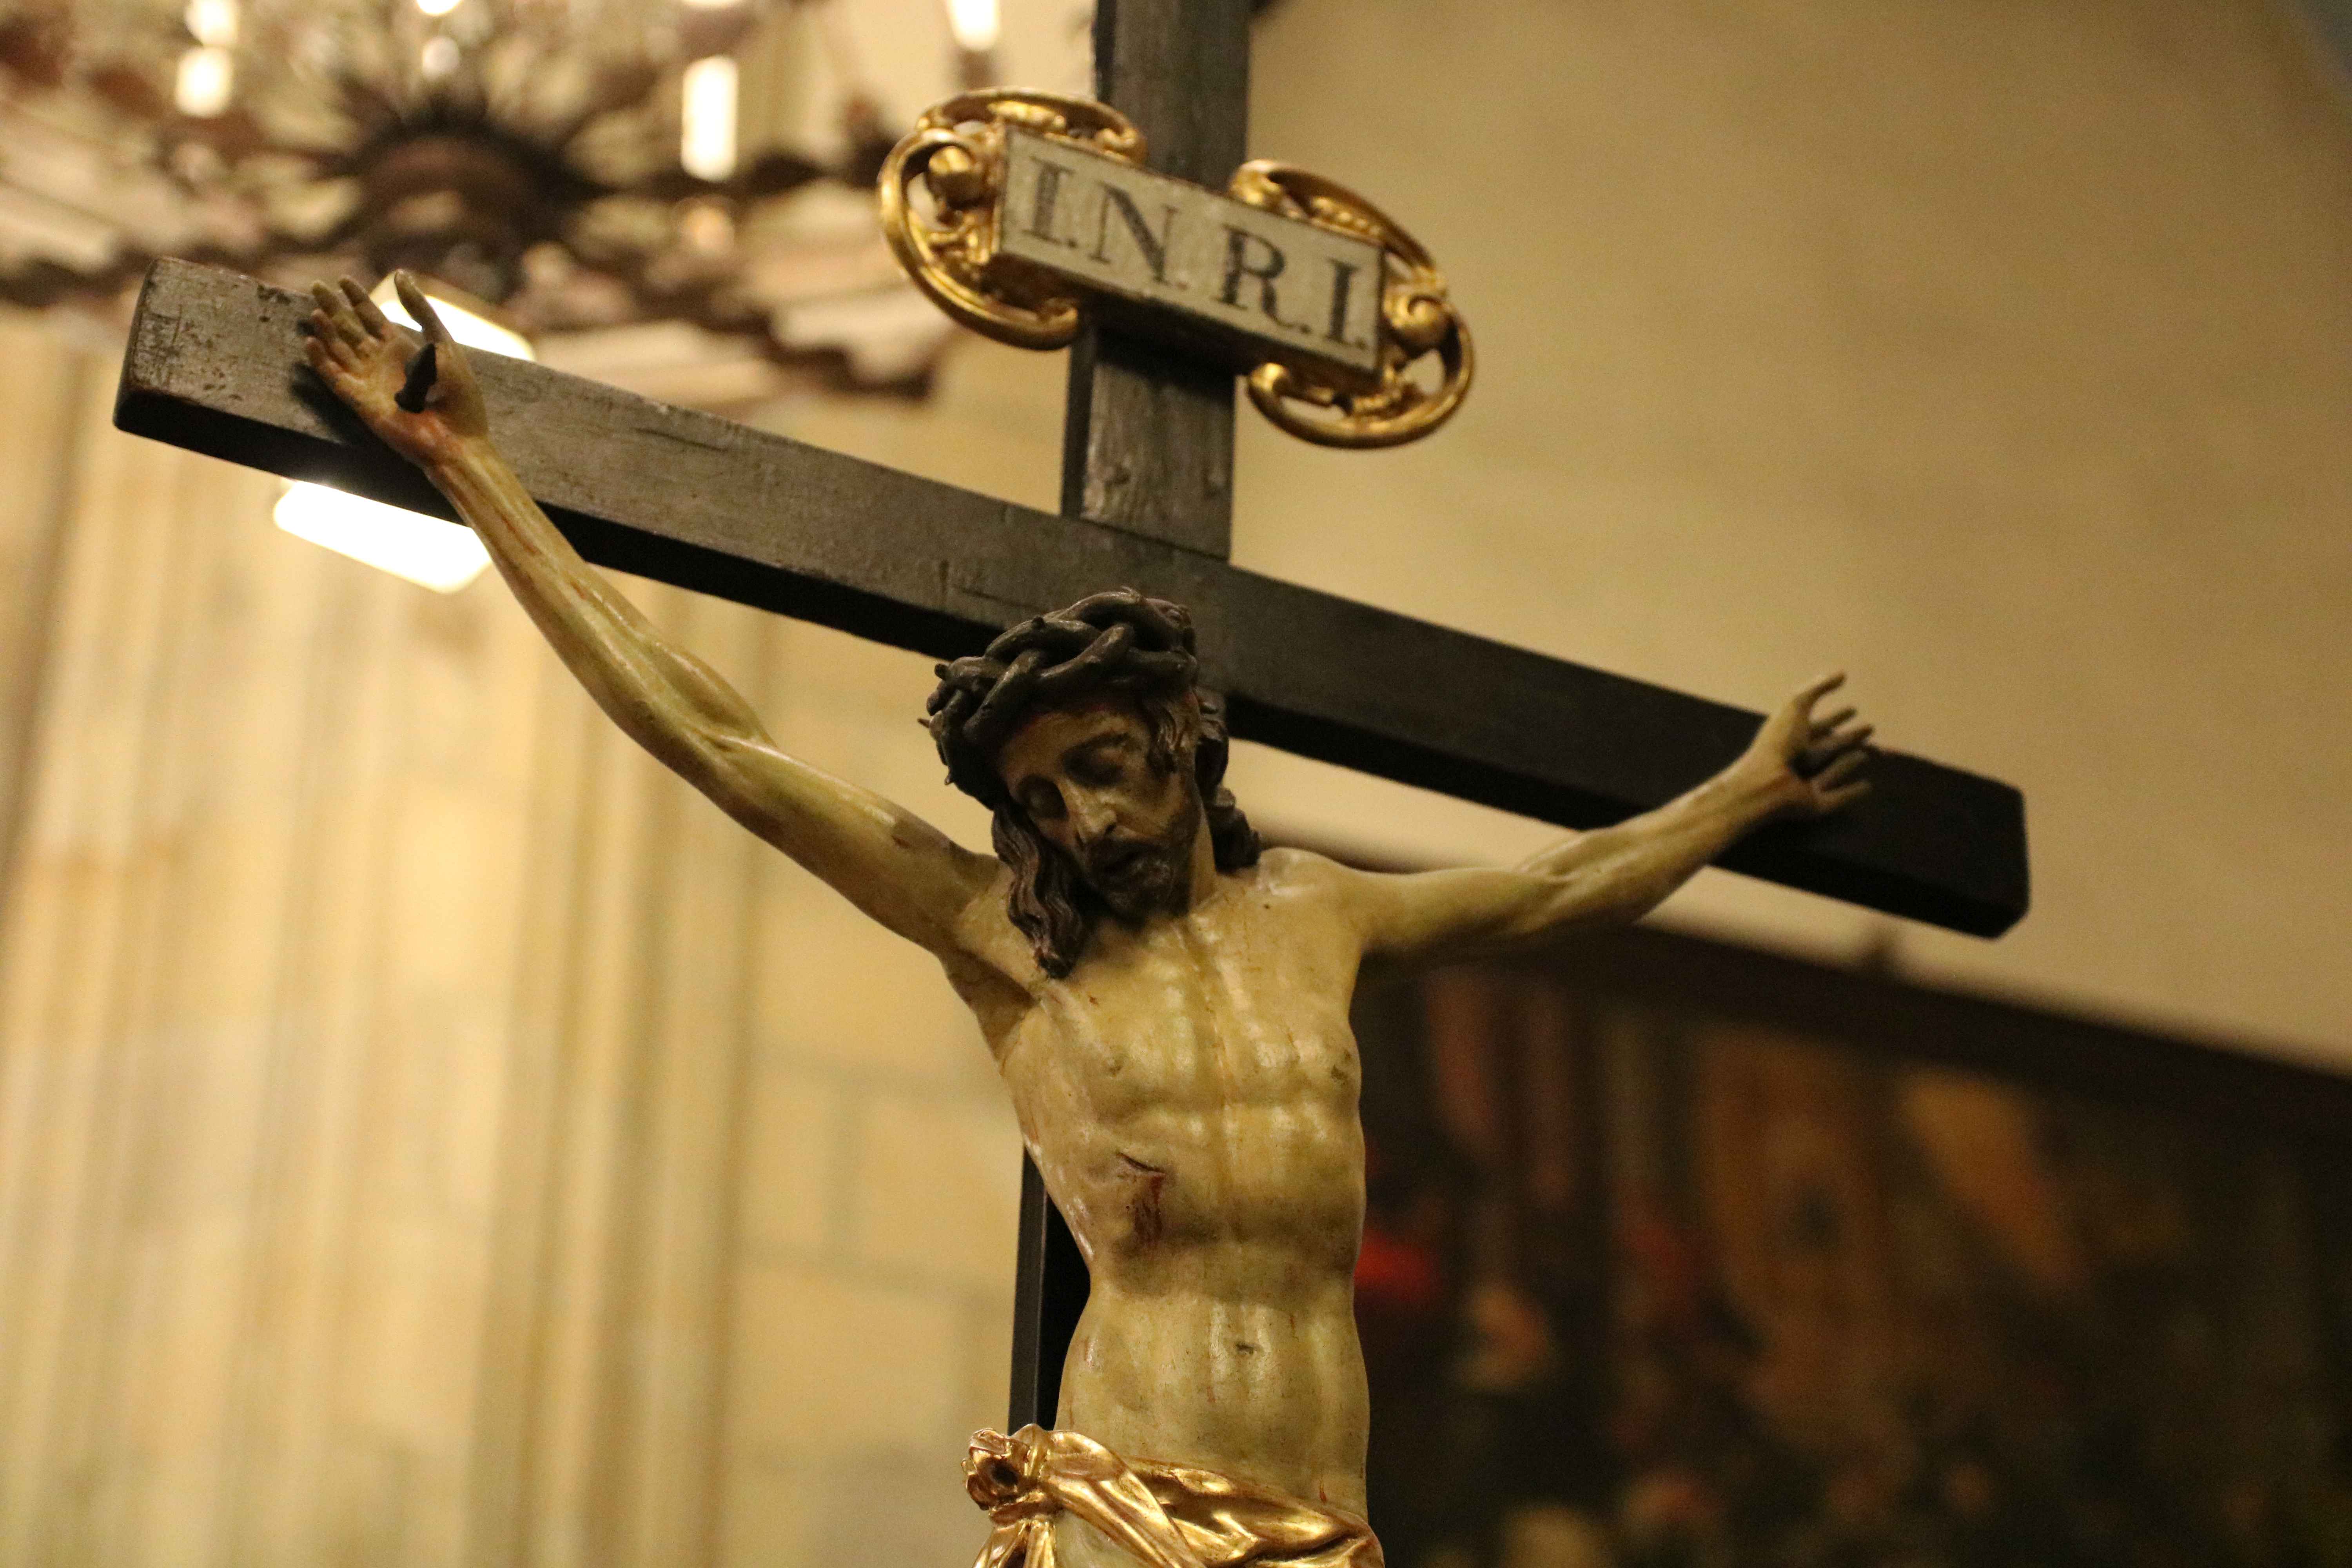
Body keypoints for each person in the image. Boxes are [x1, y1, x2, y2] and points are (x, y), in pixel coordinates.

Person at [302, 274, 1874, 1568]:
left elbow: (1553, 888)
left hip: (1326, 1522)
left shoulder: (1318, 915)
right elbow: (720, 743)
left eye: (1104, 767)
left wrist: (1743, 796)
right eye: (1043, 798)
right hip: (1125, 1500)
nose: (1083, 822)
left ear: (1185, 737)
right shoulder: (1005, 935)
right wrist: (473, 466)